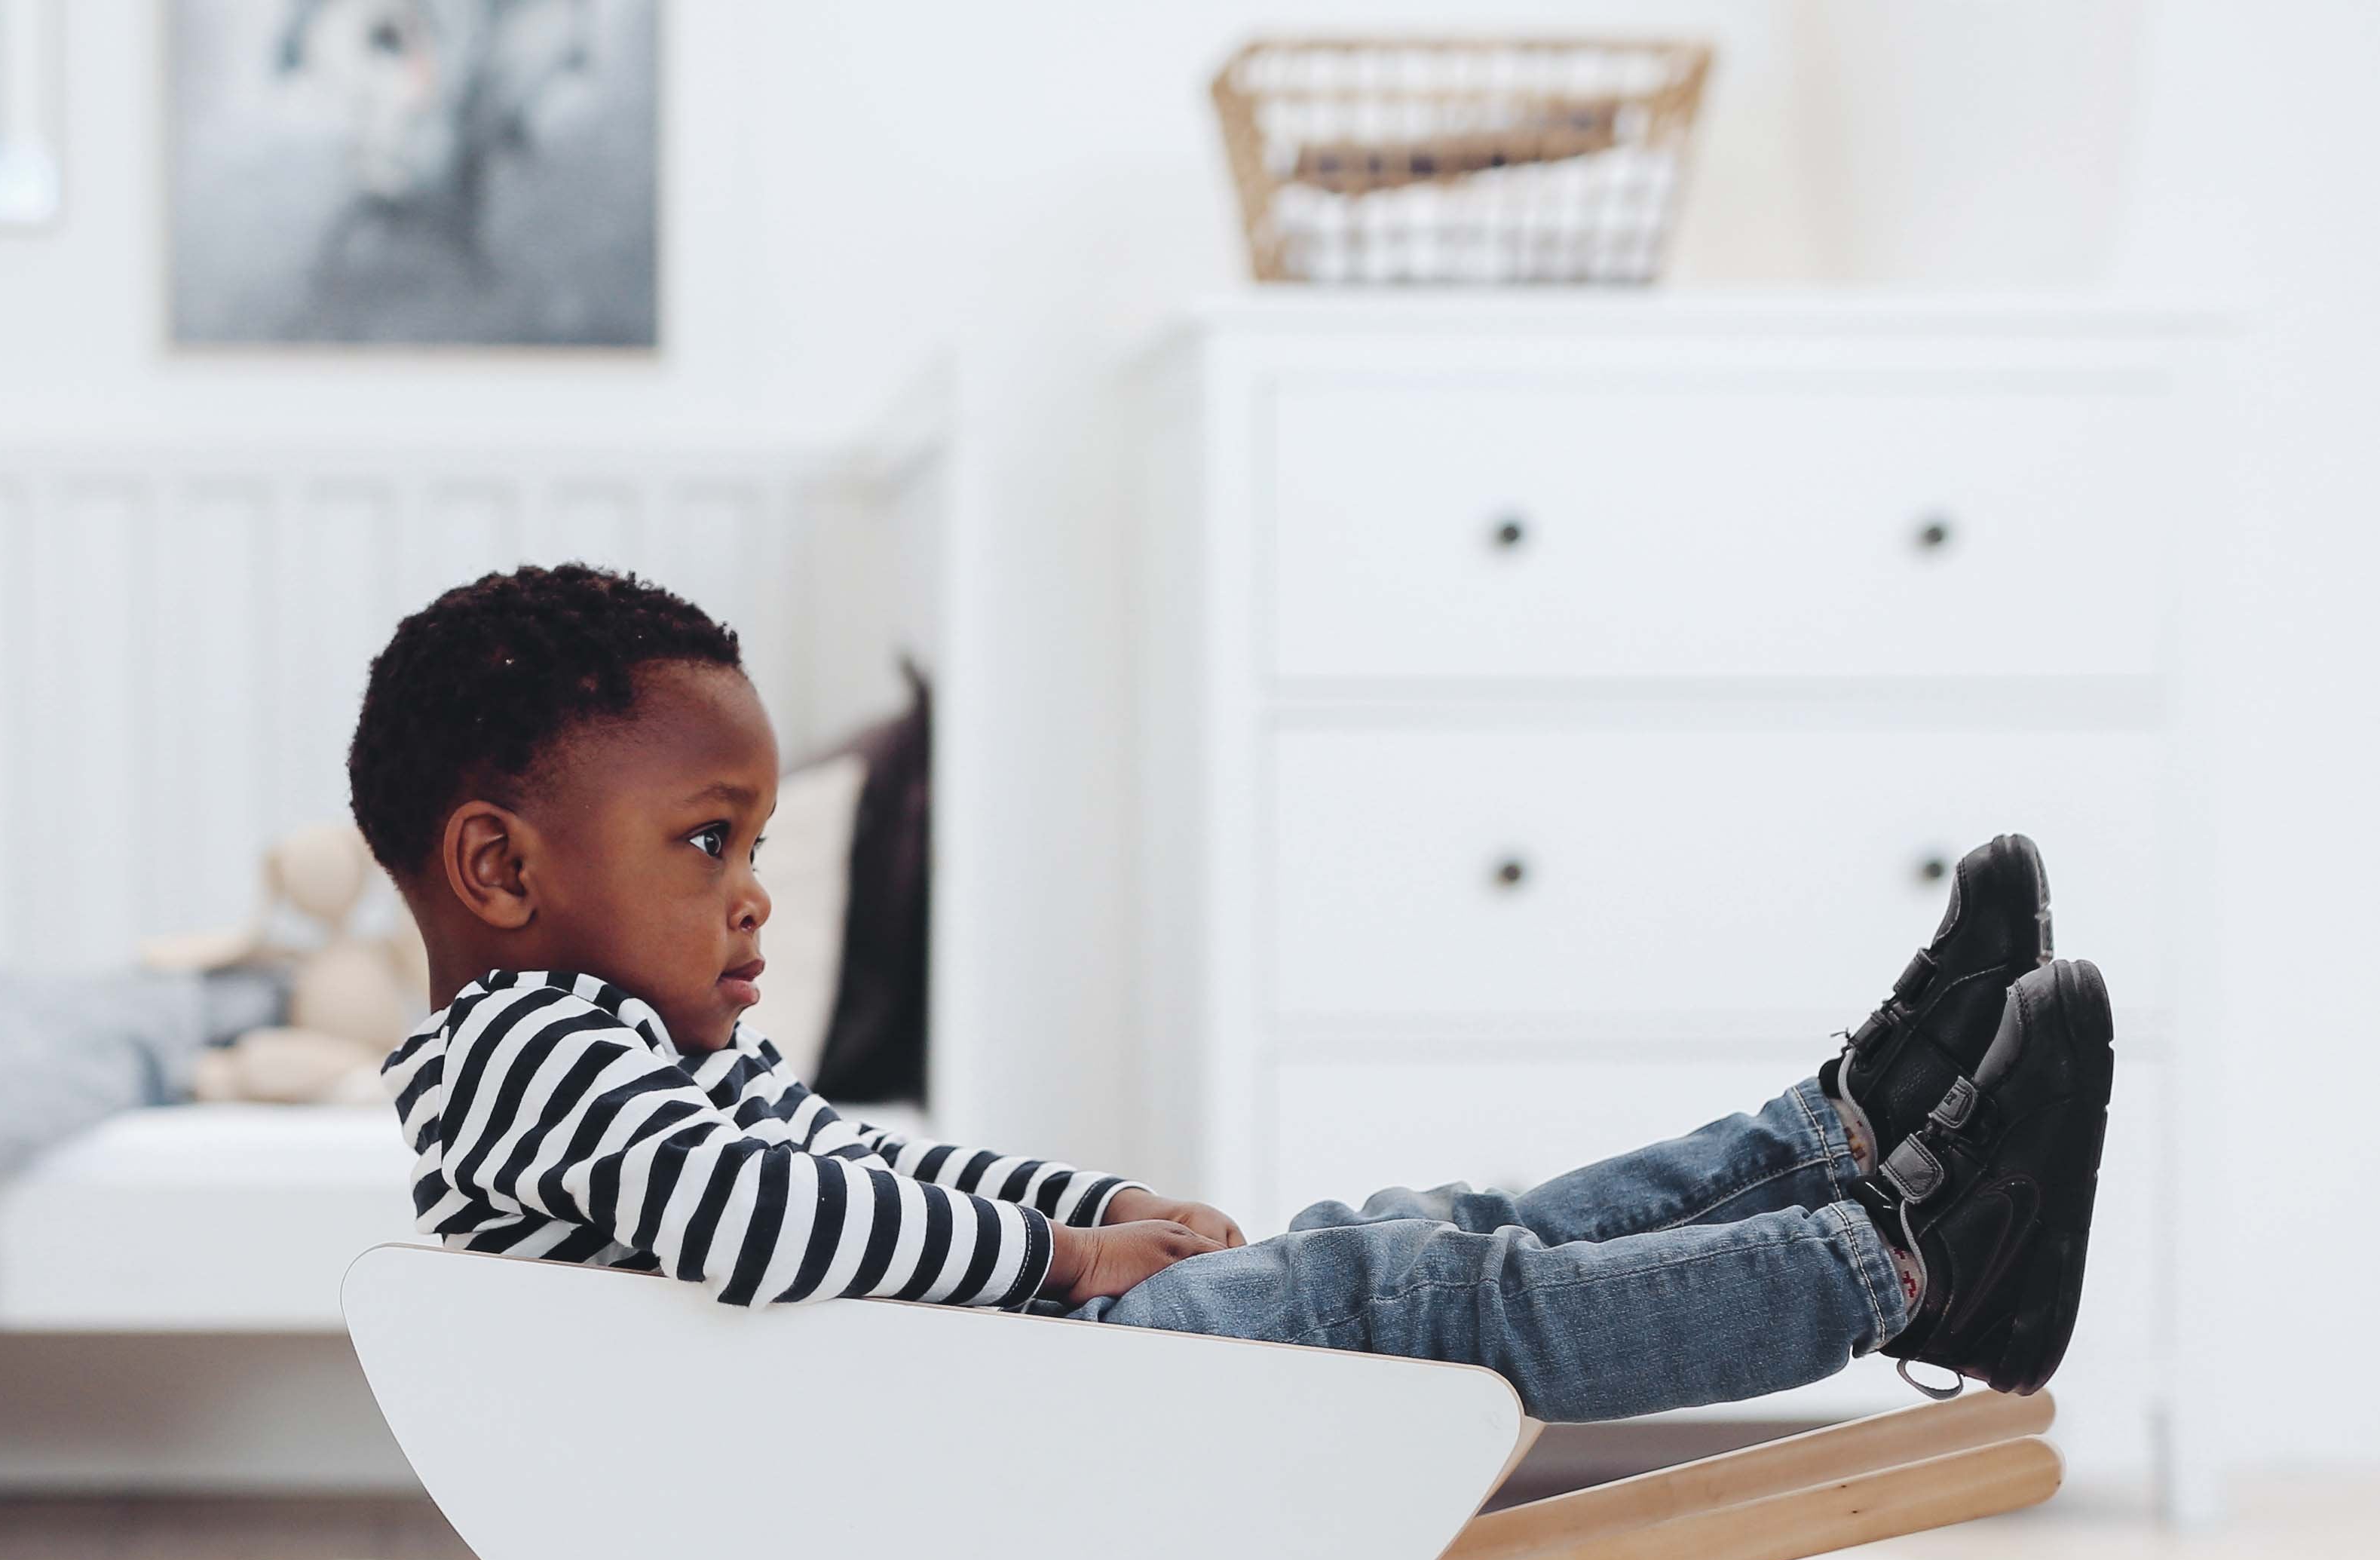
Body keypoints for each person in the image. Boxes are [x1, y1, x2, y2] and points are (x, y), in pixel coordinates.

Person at [354, 564, 2112, 1421]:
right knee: (1416, 1291)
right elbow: (759, 1220)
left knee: (1434, 1236)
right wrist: (1063, 1262)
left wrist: (1090, 1206)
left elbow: (859, 1188)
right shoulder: (532, 1049)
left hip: (967, 1403)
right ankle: (1906, 1264)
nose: (749, 897)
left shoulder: (626, 1057)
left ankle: (1842, 1139)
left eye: (757, 842)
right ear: (503, 871)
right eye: (706, 842)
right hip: (959, 1442)